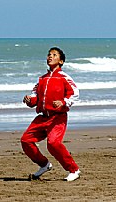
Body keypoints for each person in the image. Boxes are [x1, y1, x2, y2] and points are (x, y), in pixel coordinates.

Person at [21, 47, 81, 181]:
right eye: (49, 55)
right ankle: (44, 165)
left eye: (54, 55)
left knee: (53, 143)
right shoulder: (42, 79)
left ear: (61, 61)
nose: (50, 57)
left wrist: (63, 102)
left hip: (58, 118)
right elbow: (35, 96)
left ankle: (74, 170)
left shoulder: (64, 77)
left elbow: (75, 93)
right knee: (25, 140)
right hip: (42, 117)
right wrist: (29, 100)